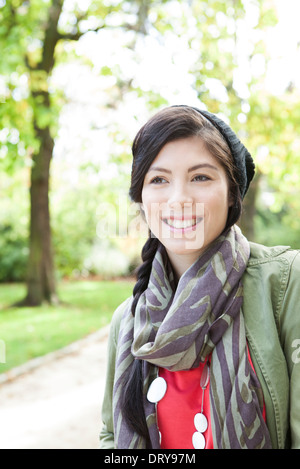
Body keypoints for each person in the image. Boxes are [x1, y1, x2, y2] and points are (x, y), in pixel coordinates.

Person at [99, 105, 300, 449]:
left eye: (201, 177)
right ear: (142, 199)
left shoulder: (285, 284)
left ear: (232, 192)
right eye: (159, 179)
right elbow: (110, 435)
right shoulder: (128, 320)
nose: (179, 199)